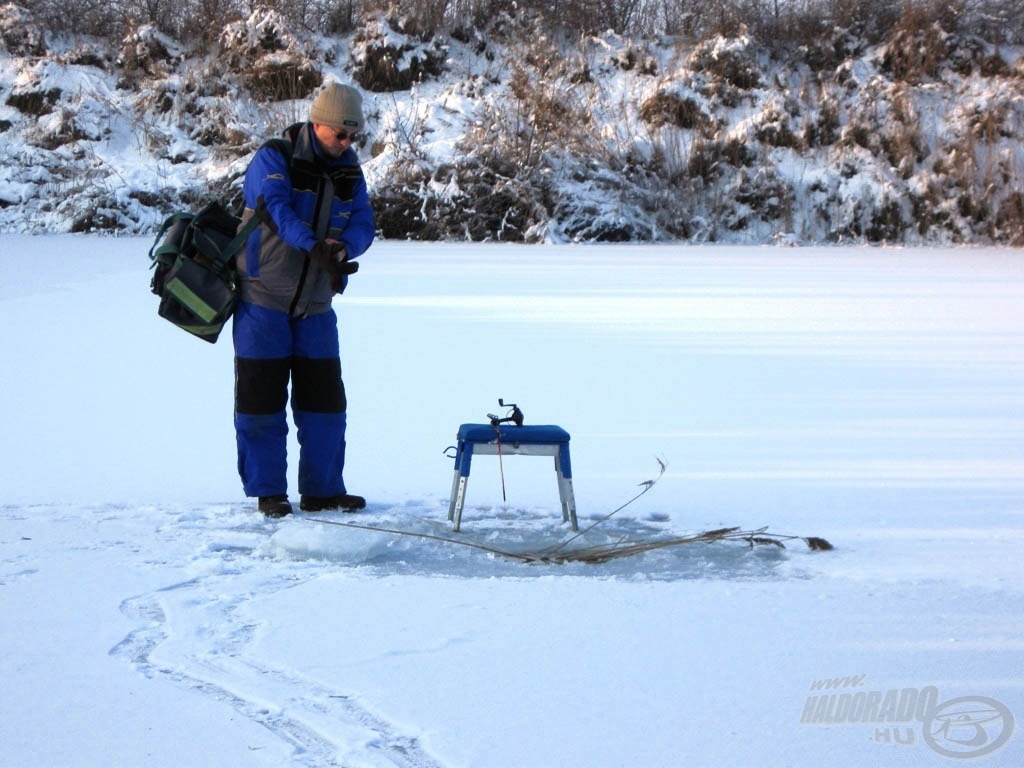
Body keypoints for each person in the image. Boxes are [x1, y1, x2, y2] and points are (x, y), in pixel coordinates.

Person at [233, 82, 375, 518]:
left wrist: (342, 249)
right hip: (262, 301)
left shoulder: (350, 170)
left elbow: (365, 222)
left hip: (315, 308)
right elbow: (275, 209)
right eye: (341, 135)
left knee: (326, 407)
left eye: (354, 136)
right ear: (318, 124)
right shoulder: (274, 157)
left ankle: (323, 490)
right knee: (261, 406)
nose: (349, 144)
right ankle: (269, 492)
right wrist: (313, 245)